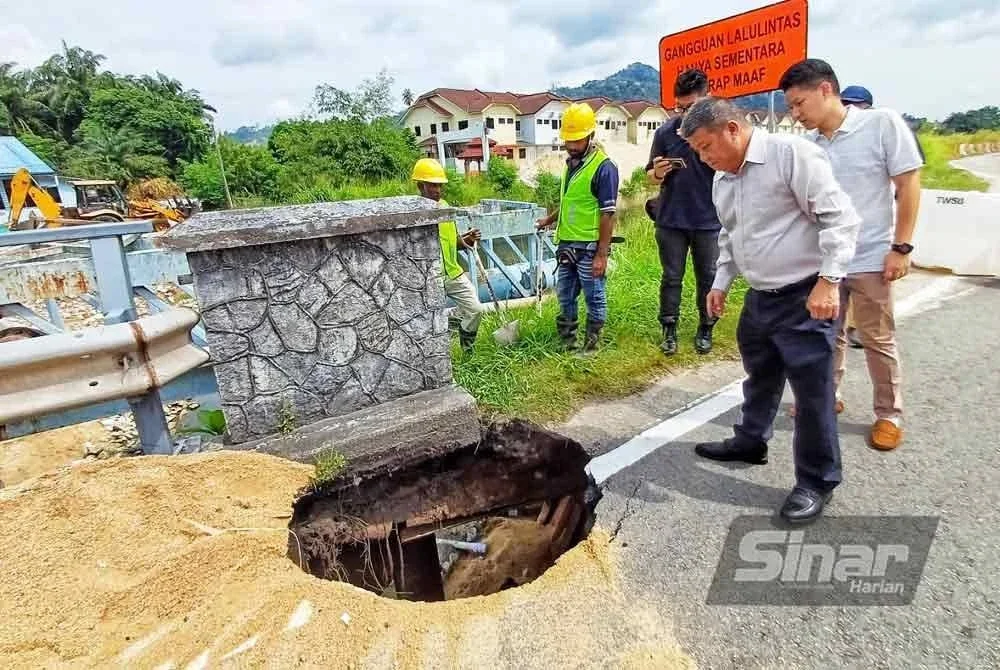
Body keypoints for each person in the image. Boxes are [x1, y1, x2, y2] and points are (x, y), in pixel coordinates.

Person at [680, 96, 860, 524]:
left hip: (805, 297)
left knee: (812, 394)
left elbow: (840, 219)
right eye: (698, 152)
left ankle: (817, 479)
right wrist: (721, 282)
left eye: (707, 147)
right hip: (761, 297)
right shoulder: (723, 181)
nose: (705, 159)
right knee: (759, 376)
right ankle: (750, 440)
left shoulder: (789, 155)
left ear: (732, 129)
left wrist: (830, 280)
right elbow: (731, 235)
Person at [781, 60, 924, 451]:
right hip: (825, 263)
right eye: (790, 107)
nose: (795, 115)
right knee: (828, 337)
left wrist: (902, 247)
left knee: (878, 337)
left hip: (872, 257)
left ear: (826, 90)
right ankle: (828, 397)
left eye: (799, 104)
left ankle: (889, 414)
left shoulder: (880, 125)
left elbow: (908, 184)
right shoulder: (808, 147)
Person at [645, 69, 721, 356]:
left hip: (708, 220)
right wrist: (658, 172)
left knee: (709, 276)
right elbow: (649, 176)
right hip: (671, 219)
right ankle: (669, 329)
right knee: (671, 276)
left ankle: (706, 327)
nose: (684, 113)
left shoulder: (718, 131)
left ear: (706, 99)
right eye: (680, 107)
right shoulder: (665, 132)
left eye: (691, 107)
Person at [536, 102, 620, 353]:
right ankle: (568, 344)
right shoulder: (570, 165)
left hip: (590, 247)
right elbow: (571, 203)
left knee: (594, 296)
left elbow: (608, 214)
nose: (572, 146)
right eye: (568, 141)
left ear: (590, 136)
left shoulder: (604, 168)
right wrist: (548, 220)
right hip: (567, 246)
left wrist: (601, 255)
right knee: (564, 295)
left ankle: (592, 347)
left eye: (577, 140)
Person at [411, 158, 485, 352]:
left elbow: (455, 242)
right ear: (420, 185)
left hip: (452, 273)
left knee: (476, 310)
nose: (437, 190)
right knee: (427, 323)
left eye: (439, 186)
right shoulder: (413, 213)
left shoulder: (444, 207)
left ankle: (467, 349)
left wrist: (468, 240)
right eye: (432, 186)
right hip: (428, 280)